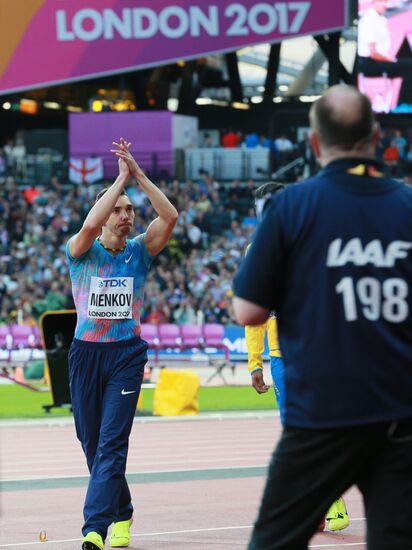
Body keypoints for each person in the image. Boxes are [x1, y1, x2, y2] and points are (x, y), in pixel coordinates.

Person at [233, 85, 412, 549]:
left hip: (321, 412)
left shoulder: (289, 209)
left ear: (314, 143)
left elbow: (248, 309)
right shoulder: (407, 205)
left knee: (275, 539)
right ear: (376, 137)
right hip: (399, 408)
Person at [66, 138, 178, 550]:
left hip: (126, 356)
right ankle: (124, 510)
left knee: (112, 442)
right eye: (119, 208)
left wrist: (140, 176)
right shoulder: (80, 251)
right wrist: (118, 179)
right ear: (103, 213)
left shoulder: (140, 252)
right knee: (92, 444)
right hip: (85, 356)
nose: (127, 215)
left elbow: (170, 216)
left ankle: (95, 528)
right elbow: (90, 227)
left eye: (130, 209)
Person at [245, 181, 349, 534]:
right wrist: (254, 362)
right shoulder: (255, 251)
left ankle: (330, 499)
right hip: (281, 356)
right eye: (260, 210)